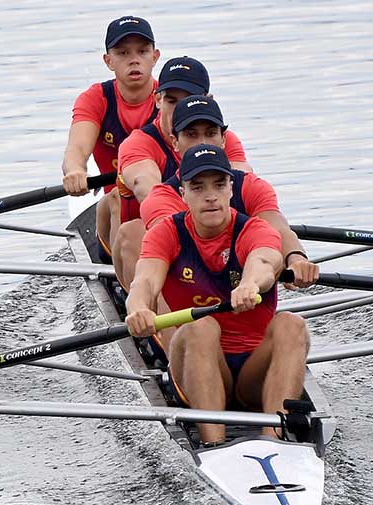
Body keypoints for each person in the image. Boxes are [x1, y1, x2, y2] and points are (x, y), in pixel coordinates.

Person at [125, 144, 311, 444]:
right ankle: (214, 445)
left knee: (292, 324)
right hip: (194, 368)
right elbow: (143, 282)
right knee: (202, 327)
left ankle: (275, 438)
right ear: (182, 194)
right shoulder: (166, 233)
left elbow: (265, 261)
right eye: (197, 187)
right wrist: (138, 310)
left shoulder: (255, 230)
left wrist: (251, 284)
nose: (210, 195)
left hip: (254, 373)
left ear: (230, 190)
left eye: (218, 185)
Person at [140, 95, 320, 289]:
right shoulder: (161, 197)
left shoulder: (251, 186)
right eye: (192, 135)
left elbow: (277, 228)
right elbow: (169, 247)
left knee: (292, 321)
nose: (203, 143)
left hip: (247, 281)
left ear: (223, 139)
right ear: (175, 141)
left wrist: (294, 258)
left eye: (210, 133)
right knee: (132, 233)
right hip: (190, 287)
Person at [112, 56, 251, 287]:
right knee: (130, 230)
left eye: (190, 100)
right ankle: (147, 310)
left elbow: (245, 183)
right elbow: (147, 189)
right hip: (156, 245)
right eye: (172, 101)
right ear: (158, 100)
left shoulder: (226, 141)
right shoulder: (138, 144)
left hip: (214, 242)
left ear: (207, 101)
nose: (181, 110)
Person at [61, 15, 160, 262]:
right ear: (108, 61)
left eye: (142, 51)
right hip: (118, 210)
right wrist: (75, 171)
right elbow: (77, 148)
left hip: (162, 206)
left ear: (155, 56)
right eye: (123, 53)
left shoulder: (169, 101)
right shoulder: (96, 99)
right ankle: (125, 280)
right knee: (117, 196)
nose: (134, 59)